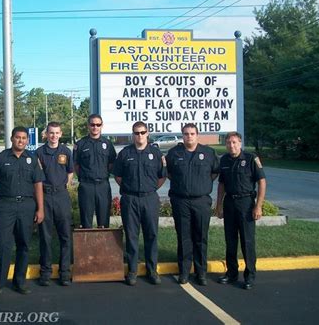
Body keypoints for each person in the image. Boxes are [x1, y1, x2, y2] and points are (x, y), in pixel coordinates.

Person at [0, 126, 44, 299]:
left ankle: (20, 282)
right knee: (2, 245)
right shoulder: (1, 158)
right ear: (12, 139)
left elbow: (38, 184)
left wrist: (40, 208)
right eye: (18, 137)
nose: (21, 140)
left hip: (26, 206)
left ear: (27, 140)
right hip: (5, 205)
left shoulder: (32, 159)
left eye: (24, 138)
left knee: (23, 245)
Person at [165, 123, 219, 286]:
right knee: (183, 237)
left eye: (192, 133)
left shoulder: (208, 153)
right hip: (180, 201)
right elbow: (168, 173)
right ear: (182, 135)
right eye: (186, 133)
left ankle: (201, 273)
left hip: (201, 201)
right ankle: (184, 272)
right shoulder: (174, 153)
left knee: (201, 237)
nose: (189, 136)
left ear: (197, 135)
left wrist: (202, 184)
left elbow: (215, 172)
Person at [113, 121, 167, 286]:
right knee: (131, 236)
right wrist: (131, 189)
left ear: (148, 133)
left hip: (150, 199)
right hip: (130, 199)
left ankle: (152, 271)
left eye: (142, 132)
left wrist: (149, 189)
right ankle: (132, 271)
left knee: (151, 235)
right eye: (136, 133)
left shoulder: (156, 154)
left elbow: (162, 176)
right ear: (132, 134)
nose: (140, 135)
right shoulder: (124, 153)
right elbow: (118, 176)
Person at [215, 131, 266, 290]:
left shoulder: (251, 159)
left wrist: (258, 206)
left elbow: (262, 182)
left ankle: (249, 276)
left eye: (235, 142)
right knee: (230, 241)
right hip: (230, 202)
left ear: (240, 143)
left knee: (247, 241)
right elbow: (221, 185)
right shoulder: (224, 160)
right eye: (229, 142)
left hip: (246, 203)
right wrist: (219, 205)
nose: (231, 145)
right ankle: (231, 273)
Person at [36, 122, 74, 286]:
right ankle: (45, 272)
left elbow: (70, 171)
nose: (54, 136)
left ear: (61, 134)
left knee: (65, 236)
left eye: (57, 133)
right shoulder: (38, 153)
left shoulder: (66, 151)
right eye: (51, 133)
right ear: (46, 134)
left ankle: (64, 272)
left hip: (61, 196)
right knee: (45, 236)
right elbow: (36, 177)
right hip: (45, 196)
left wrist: (67, 183)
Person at [73, 114, 116, 228]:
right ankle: (87, 245)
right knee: (86, 221)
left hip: (103, 185)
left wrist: (103, 174)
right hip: (86, 186)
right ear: (88, 126)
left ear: (102, 126)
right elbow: (76, 165)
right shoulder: (81, 144)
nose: (95, 127)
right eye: (92, 124)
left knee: (104, 221)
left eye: (98, 125)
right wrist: (84, 177)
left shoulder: (107, 144)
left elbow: (111, 163)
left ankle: (103, 245)